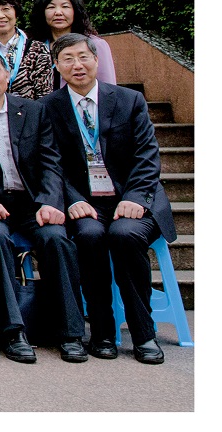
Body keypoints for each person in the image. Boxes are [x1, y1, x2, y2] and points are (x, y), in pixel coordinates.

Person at [44, 33, 175, 365]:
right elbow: (50, 162)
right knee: (89, 236)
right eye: (68, 59)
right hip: (85, 201)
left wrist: (135, 197)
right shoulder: (48, 107)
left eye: (83, 57)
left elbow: (147, 155)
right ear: (57, 65)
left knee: (125, 235)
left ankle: (144, 334)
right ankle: (102, 332)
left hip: (134, 197)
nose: (77, 65)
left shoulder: (129, 100)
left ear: (96, 60)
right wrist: (71, 199)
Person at [0, 50, 88, 365]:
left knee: (57, 239)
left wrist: (49, 202)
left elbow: (51, 161)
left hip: (32, 202)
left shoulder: (33, 110)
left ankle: (70, 334)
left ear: (7, 75)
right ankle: (12, 332)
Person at [29, 0, 118, 86]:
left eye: (65, 6)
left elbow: (108, 87)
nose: (58, 12)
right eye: (51, 7)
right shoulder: (35, 48)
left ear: (75, 10)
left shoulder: (96, 44)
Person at [0, 0, 54, 100]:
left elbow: (45, 94)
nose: (0, 15)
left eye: (6, 9)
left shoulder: (38, 49)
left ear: (16, 12)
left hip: (31, 110)